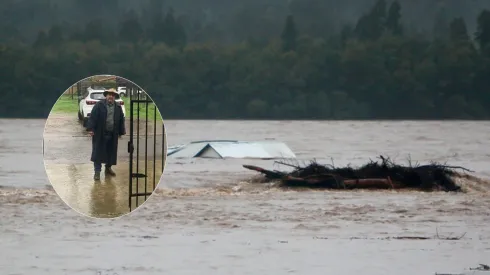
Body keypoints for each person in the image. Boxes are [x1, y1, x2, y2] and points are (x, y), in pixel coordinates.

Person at [86, 88, 126, 181]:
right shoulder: (99, 105)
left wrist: (121, 131)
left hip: (112, 134)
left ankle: (108, 169)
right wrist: (91, 129)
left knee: (111, 153)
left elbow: (121, 120)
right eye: (109, 94)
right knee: (98, 153)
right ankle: (97, 172)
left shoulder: (118, 107)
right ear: (106, 95)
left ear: (115, 97)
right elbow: (93, 117)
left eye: (113, 95)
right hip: (100, 133)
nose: (111, 96)